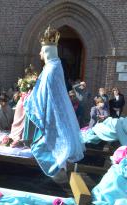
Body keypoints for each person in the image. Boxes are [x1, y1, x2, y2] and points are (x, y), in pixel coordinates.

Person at [23, 26, 85, 177]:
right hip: (53, 109)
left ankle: (58, 171)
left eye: (41, 51)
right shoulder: (53, 66)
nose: (39, 54)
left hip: (50, 112)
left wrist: (28, 99)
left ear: (47, 51)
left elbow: (44, 94)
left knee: (50, 144)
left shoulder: (51, 69)